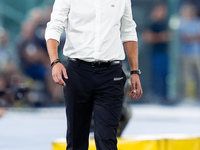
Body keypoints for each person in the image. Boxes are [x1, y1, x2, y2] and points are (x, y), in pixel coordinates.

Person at [45, 0, 143, 149]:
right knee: (76, 140)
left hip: (111, 74)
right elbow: (54, 26)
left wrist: (135, 71)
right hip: (77, 72)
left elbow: (128, 30)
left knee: (107, 140)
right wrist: (54, 62)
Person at [143, 3, 170, 102]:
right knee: (156, 74)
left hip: (164, 53)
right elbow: (148, 38)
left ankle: (164, 96)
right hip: (154, 53)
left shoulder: (166, 23)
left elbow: (170, 36)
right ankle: (155, 94)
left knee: (165, 75)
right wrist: (161, 37)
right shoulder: (151, 23)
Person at [178, 4, 200, 101]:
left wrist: (190, 37)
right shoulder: (181, 23)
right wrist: (193, 37)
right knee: (187, 77)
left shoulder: (197, 22)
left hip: (197, 53)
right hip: (185, 54)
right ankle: (189, 97)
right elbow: (183, 37)